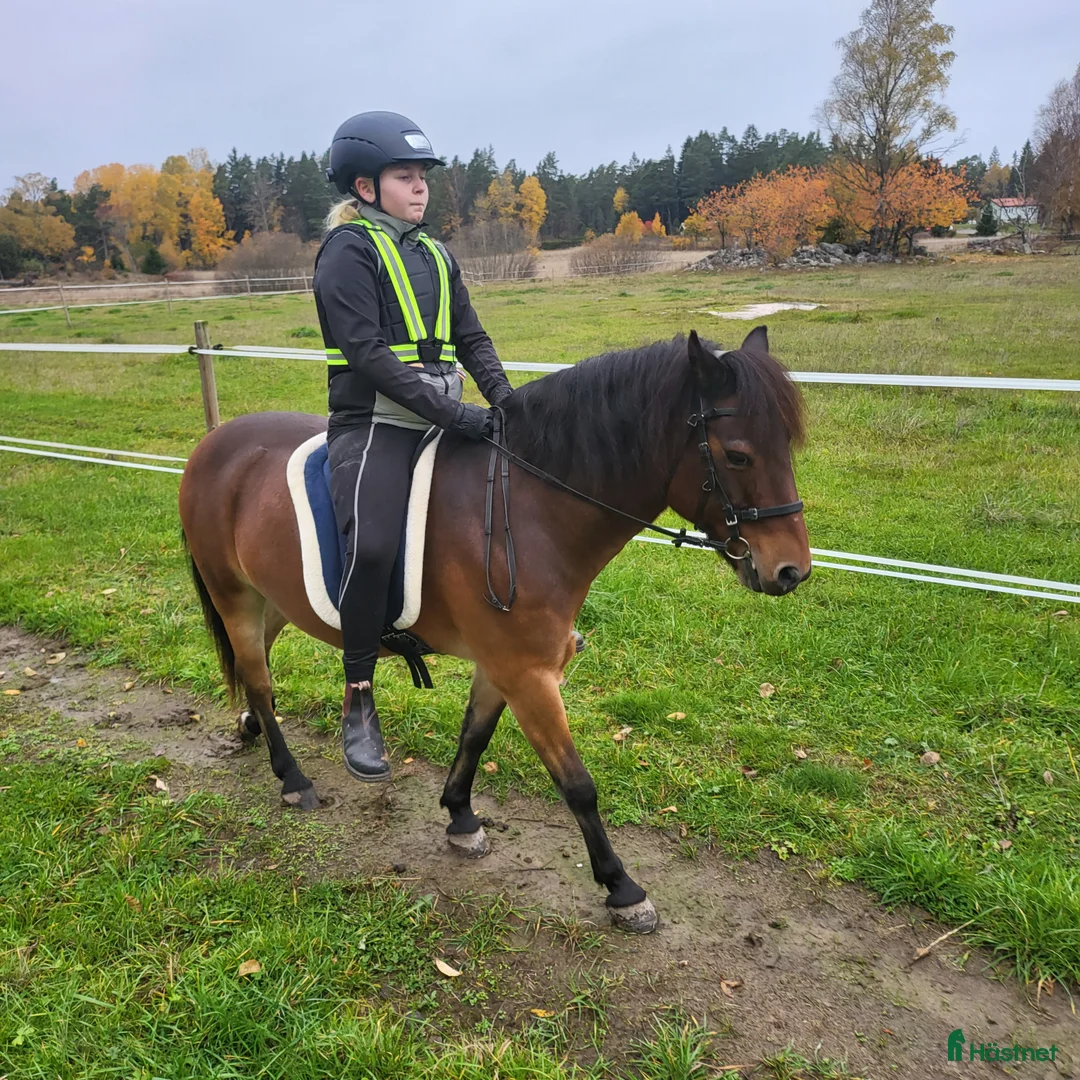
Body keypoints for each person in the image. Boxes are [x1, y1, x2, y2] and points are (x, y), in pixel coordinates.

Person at [313, 111, 513, 783]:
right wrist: (455, 413)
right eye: (406, 176)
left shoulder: (435, 252)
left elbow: (472, 338)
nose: (420, 187)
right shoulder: (347, 252)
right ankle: (359, 696)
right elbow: (367, 354)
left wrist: (505, 400)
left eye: (423, 175)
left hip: (442, 418)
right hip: (374, 426)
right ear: (366, 187)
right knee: (370, 546)